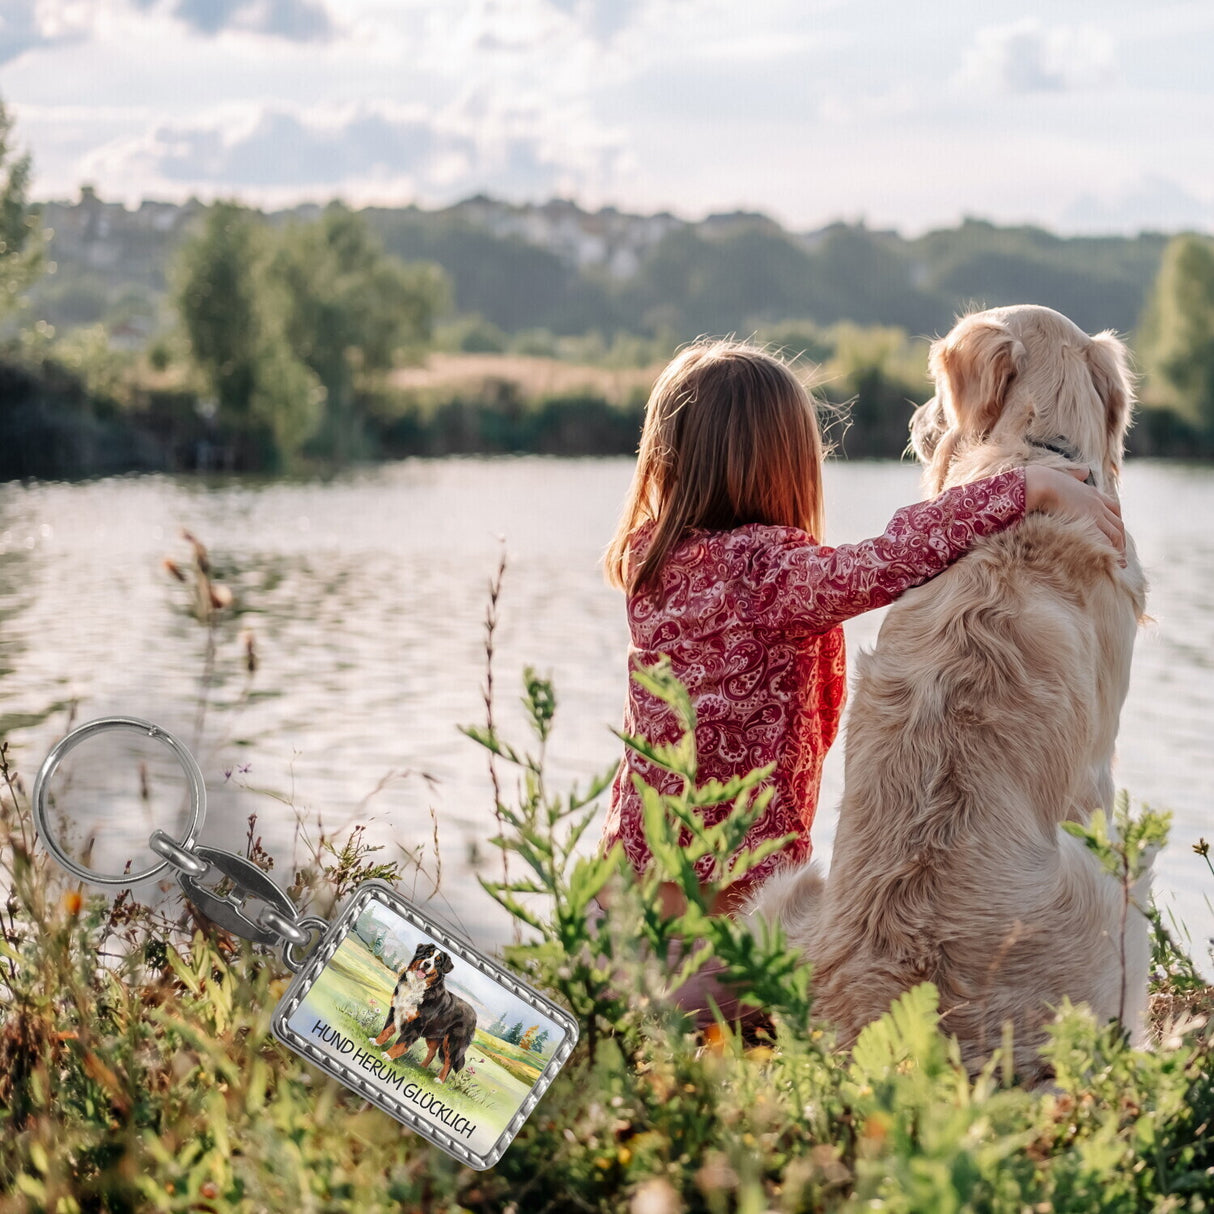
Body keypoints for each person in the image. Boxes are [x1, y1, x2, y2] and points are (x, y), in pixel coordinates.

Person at [594, 338, 1126, 1035]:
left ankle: (610, 1006)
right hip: (717, 886)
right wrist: (1029, 488)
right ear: (784, 463)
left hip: (624, 871)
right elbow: (893, 558)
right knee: (790, 973)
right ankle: (642, 1022)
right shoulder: (767, 574)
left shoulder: (649, 557)